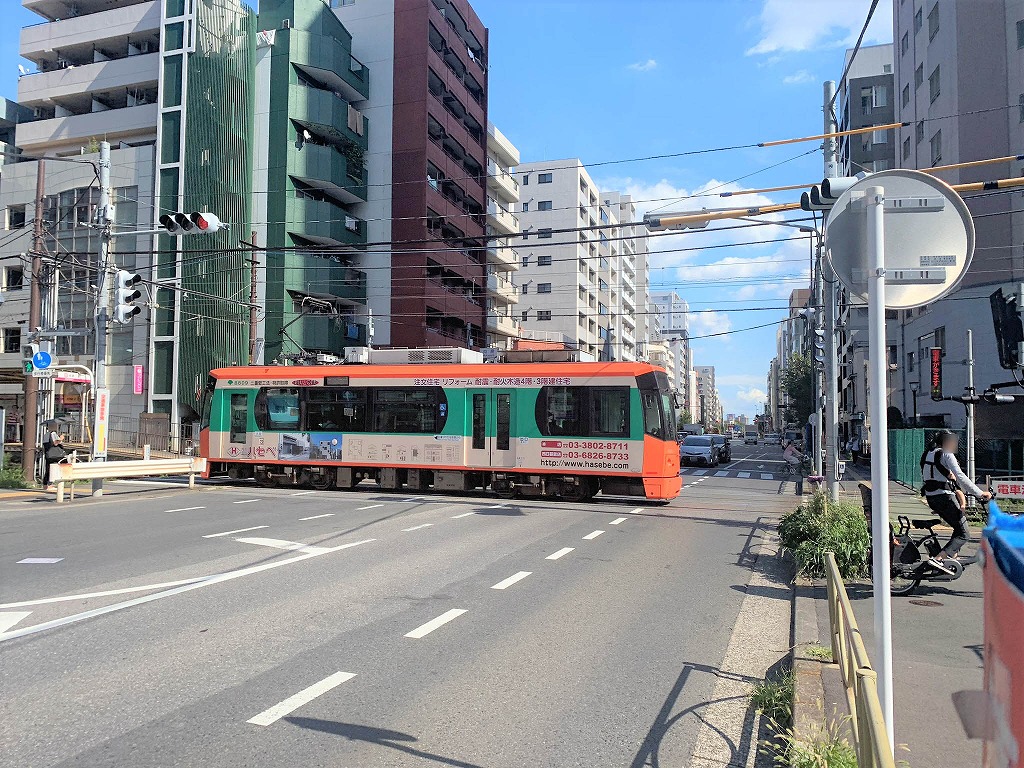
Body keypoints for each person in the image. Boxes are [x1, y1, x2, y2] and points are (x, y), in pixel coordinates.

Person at [919, 430, 991, 574]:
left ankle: (951, 558)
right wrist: (980, 493)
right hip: (944, 497)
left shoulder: (928, 453)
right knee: (964, 533)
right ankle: (938, 559)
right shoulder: (946, 454)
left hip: (932, 497)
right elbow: (960, 476)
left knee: (958, 528)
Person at [42, 423, 65, 490]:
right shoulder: (53, 433)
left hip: (48, 453)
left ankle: (45, 485)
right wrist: (61, 439)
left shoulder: (46, 434)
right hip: (55, 454)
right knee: (60, 465)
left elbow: (46, 444)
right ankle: (50, 484)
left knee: (48, 469)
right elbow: (55, 443)